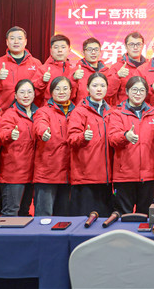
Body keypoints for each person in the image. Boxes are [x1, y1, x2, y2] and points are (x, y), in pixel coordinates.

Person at [108, 76, 154, 214]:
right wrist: (125, 136)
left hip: (149, 175)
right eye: (134, 90)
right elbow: (112, 139)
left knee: (146, 216)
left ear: (146, 93)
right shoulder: (117, 113)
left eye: (142, 90)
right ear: (127, 91)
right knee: (123, 216)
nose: (138, 93)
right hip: (124, 175)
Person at [69, 72, 114, 216]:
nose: (99, 89)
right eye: (95, 86)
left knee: (104, 220)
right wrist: (82, 136)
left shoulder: (111, 112)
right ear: (88, 88)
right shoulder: (79, 111)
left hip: (106, 177)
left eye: (102, 85)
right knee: (85, 220)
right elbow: (71, 138)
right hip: (85, 176)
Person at [33, 76, 75, 217]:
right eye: (57, 89)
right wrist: (43, 132)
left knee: (64, 218)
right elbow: (40, 124)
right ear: (51, 92)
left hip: (69, 173)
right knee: (44, 217)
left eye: (65, 88)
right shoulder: (44, 111)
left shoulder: (77, 111)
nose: (61, 92)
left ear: (71, 91)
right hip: (48, 172)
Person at [0, 79, 37, 217]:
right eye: (22, 92)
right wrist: (10, 135)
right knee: (11, 212)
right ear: (15, 95)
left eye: (29, 92)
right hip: (13, 173)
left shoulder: (38, 113)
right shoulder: (10, 113)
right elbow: (1, 135)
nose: (26, 95)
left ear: (34, 94)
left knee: (25, 212)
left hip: (32, 172)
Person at [0, 26, 43, 110]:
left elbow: (40, 90)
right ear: (7, 42)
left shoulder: (36, 63)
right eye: (12, 38)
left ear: (25, 42)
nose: (16, 42)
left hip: (29, 111)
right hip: (3, 111)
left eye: (20, 38)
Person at [74, 37, 118, 110]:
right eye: (89, 50)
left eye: (96, 50)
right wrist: (73, 79)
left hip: (103, 111)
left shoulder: (107, 71)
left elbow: (110, 94)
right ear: (83, 52)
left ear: (100, 52)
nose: (93, 52)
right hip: (83, 111)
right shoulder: (77, 71)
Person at [36, 34, 81, 104]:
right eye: (56, 47)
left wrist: (74, 79)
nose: (60, 50)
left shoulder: (73, 71)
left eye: (63, 47)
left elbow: (74, 96)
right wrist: (42, 81)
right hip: (48, 108)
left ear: (69, 50)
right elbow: (34, 94)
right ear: (51, 50)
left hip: (68, 108)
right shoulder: (42, 69)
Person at [105, 31, 147, 105]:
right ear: (125, 46)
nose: (135, 47)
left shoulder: (148, 66)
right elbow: (107, 93)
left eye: (138, 44)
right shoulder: (117, 67)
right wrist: (117, 76)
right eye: (131, 44)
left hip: (145, 110)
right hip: (123, 110)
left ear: (143, 46)